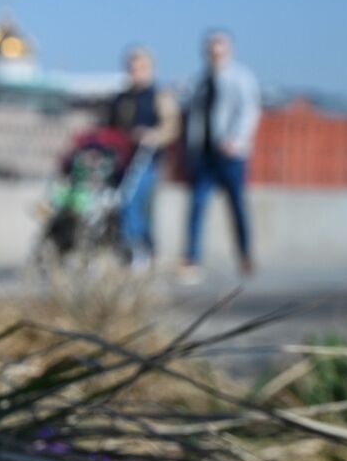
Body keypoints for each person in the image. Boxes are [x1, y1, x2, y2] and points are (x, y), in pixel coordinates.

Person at [181, 29, 261, 280]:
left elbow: (249, 111)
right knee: (196, 205)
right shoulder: (198, 81)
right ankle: (192, 258)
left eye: (220, 48)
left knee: (236, 206)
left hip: (230, 155)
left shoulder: (241, 78)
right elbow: (190, 115)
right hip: (203, 156)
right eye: (211, 49)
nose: (216, 54)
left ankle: (245, 254)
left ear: (229, 50)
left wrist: (236, 141)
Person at [107, 46, 179, 268]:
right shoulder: (121, 97)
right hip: (122, 161)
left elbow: (171, 126)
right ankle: (127, 247)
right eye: (131, 66)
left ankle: (141, 248)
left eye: (140, 66)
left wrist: (152, 136)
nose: (134, 71)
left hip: (145, 161)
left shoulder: (159, 95)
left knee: (135, 203)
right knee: (120, 204)